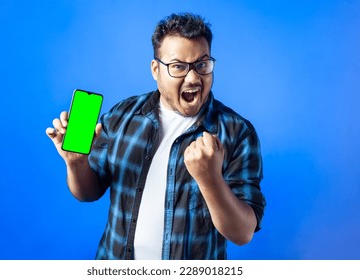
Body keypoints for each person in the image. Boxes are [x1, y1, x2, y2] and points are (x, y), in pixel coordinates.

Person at [46, 12, 266, 260]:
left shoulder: (237, 132)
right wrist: (76, 163)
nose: (193, 78)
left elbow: (242, 233)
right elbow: (88, 192)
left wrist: (210, 179)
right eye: (178, 67)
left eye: (202, 65)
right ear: (155, 70)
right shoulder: (122, 116)